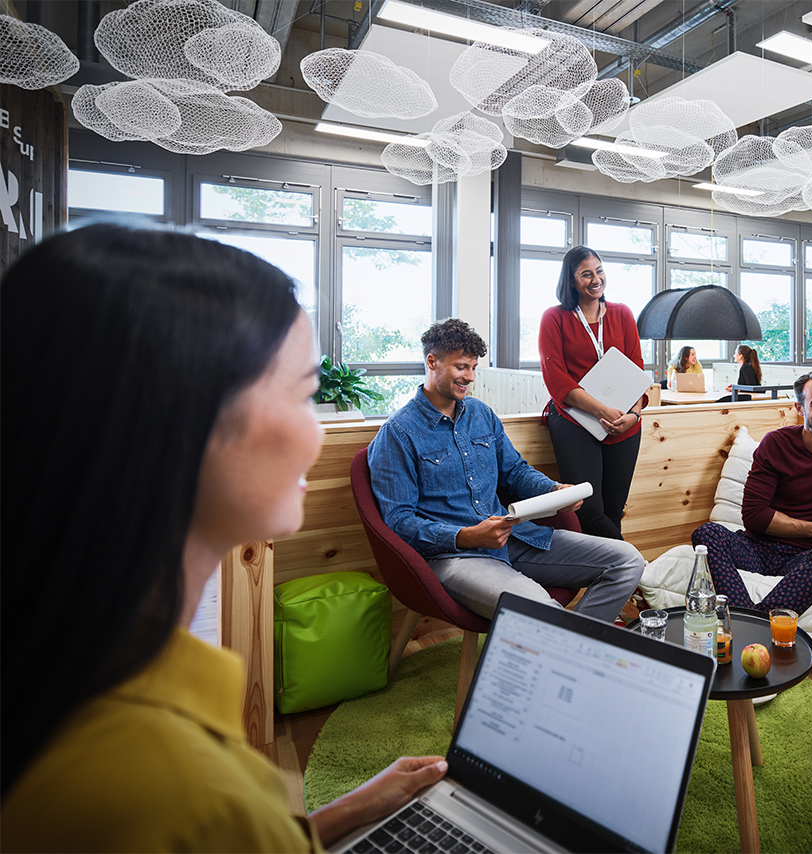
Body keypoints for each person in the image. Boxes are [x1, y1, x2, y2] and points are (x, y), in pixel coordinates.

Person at [0, 225, 448, 851]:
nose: (316, 434)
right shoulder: (174, 791)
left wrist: (343, 813)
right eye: (304, 393)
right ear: (178, 419)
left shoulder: (66, 683)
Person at [371, 317, 645, 621]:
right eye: (461, 367)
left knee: (627, 561)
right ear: (432, 361)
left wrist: (554, 491)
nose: (470, 377)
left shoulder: (480, 414)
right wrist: (467, 536)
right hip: (454, 556)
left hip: (514, 539)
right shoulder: (398, 432)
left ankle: (572, 647)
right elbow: (398, 522)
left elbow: (515, 472)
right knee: (542, 612)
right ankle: (573, 650)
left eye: (473, 368)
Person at [691, 369, 812, 615]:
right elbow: (754, 517)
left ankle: (753, 618)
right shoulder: (775, 444)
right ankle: (750, 617)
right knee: (707, 534)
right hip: (756, 549)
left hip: (805, 557)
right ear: (800, 408)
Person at [538, 246, 648, 540]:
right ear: (571, 280)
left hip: (623, 425)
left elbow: (637, 371)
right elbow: (556, 379)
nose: (596, 279)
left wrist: (634, 415)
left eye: (599, 271)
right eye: (586, 274)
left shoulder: (622, 314)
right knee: (588, 512)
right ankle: (635, 569)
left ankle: (618, 581)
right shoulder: (554, 318)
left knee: (613, 511)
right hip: (575, 423)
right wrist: (602, 410)